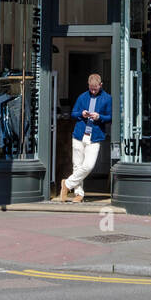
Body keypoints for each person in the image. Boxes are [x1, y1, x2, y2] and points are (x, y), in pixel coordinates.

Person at [58, 73, 112, 203]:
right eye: (91, 88)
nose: (93, 91)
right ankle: (79, 194)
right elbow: (73, 114)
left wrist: (99, 117)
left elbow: (110, 117)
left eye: (95, 88)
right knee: (77, 165)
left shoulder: (107, 98)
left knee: (88, 165)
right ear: (88, 85)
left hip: (95, 136)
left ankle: (67, 184)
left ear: (101, 85)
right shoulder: (82, 97)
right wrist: (82, 114)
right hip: (79, 135)